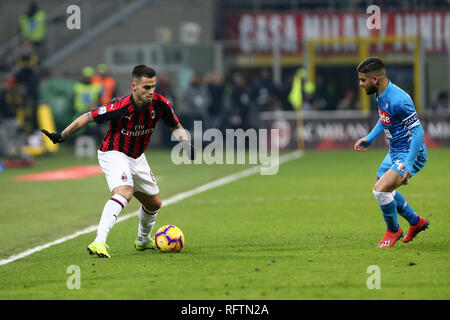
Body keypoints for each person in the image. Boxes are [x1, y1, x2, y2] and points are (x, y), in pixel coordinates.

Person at [41, 65, 194, 258]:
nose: (151, 91)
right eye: (146, 87)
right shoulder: (119, 107)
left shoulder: (160, 103)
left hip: (137, 157)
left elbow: (176, 126)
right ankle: (99, 241)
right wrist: (62, 135)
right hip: (113, 152)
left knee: (154, 203)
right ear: (134, 86)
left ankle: (142, 240)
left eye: (153, 86)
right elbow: (87, 117)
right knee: (125, 191)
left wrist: (185, 142)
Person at [353, 57, 429, 248]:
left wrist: (409, 165)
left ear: (375, 79)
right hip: (395, 151)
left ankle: (393, 231)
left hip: (410, 153)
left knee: (380, 190)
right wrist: (369, 138)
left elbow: (418, 131)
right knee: (382, 185)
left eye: (363, 80)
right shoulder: (381, 94)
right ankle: (415, 222)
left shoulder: (399, 99)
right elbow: (384, 119)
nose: (360, 84)